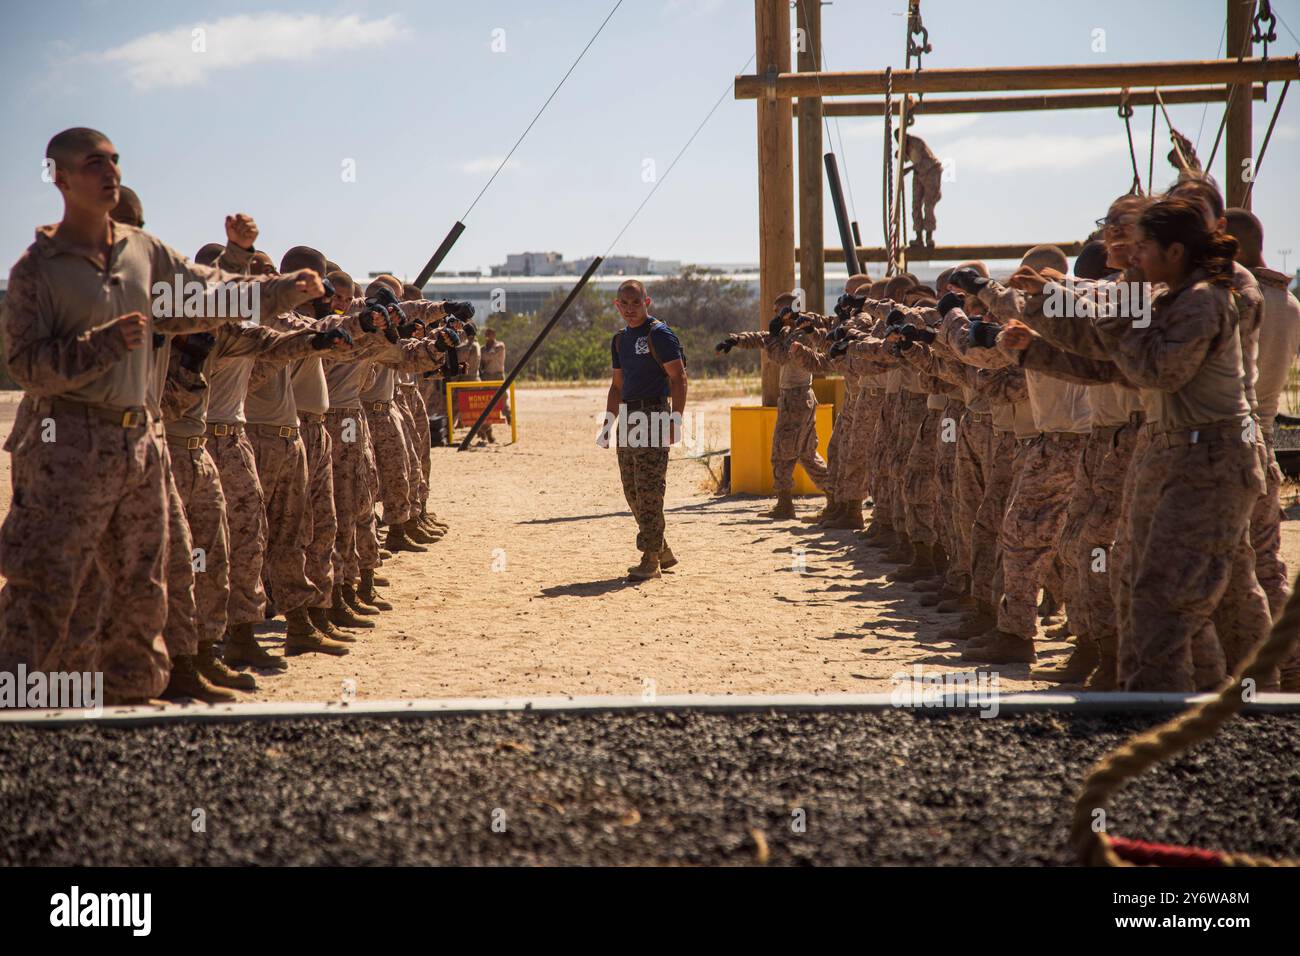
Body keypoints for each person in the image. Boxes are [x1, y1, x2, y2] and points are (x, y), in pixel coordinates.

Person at [0, 127, 321, 704]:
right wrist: (100, 346)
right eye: (96, 162)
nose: (111, 171)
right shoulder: (37, 270)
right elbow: (26, 365)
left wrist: (276, 289)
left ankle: (131, 708)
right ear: (61, 177)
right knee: (48, 586)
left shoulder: (144, 257)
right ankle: (22, 711)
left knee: (153, 579)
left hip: (142, 444)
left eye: (116, 161)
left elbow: (206, 294)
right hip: (67, 444)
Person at [601, 279, 687, 581]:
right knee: (633, 490)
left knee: (650, 489)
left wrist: (676, 420)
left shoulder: (658, 334)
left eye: (635, 303)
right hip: (628, 416)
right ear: (616, 305)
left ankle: (650, 560)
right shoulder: (619, 340)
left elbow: (679, 379)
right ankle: (661, 548)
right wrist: (608, 423)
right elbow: (617, 384)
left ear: (646, 302)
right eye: (623, 304)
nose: (629, 309)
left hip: (653, 414)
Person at [897, 130, 943, 247]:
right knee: (916, 205)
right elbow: (907, 158)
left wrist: (905, 170)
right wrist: (899, 154)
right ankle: (919, 238)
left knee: (928, 205)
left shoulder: (916, 143)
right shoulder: (906, 146)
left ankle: (929, 238)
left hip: (930, 171)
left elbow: (917, 162)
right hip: (919, 173)